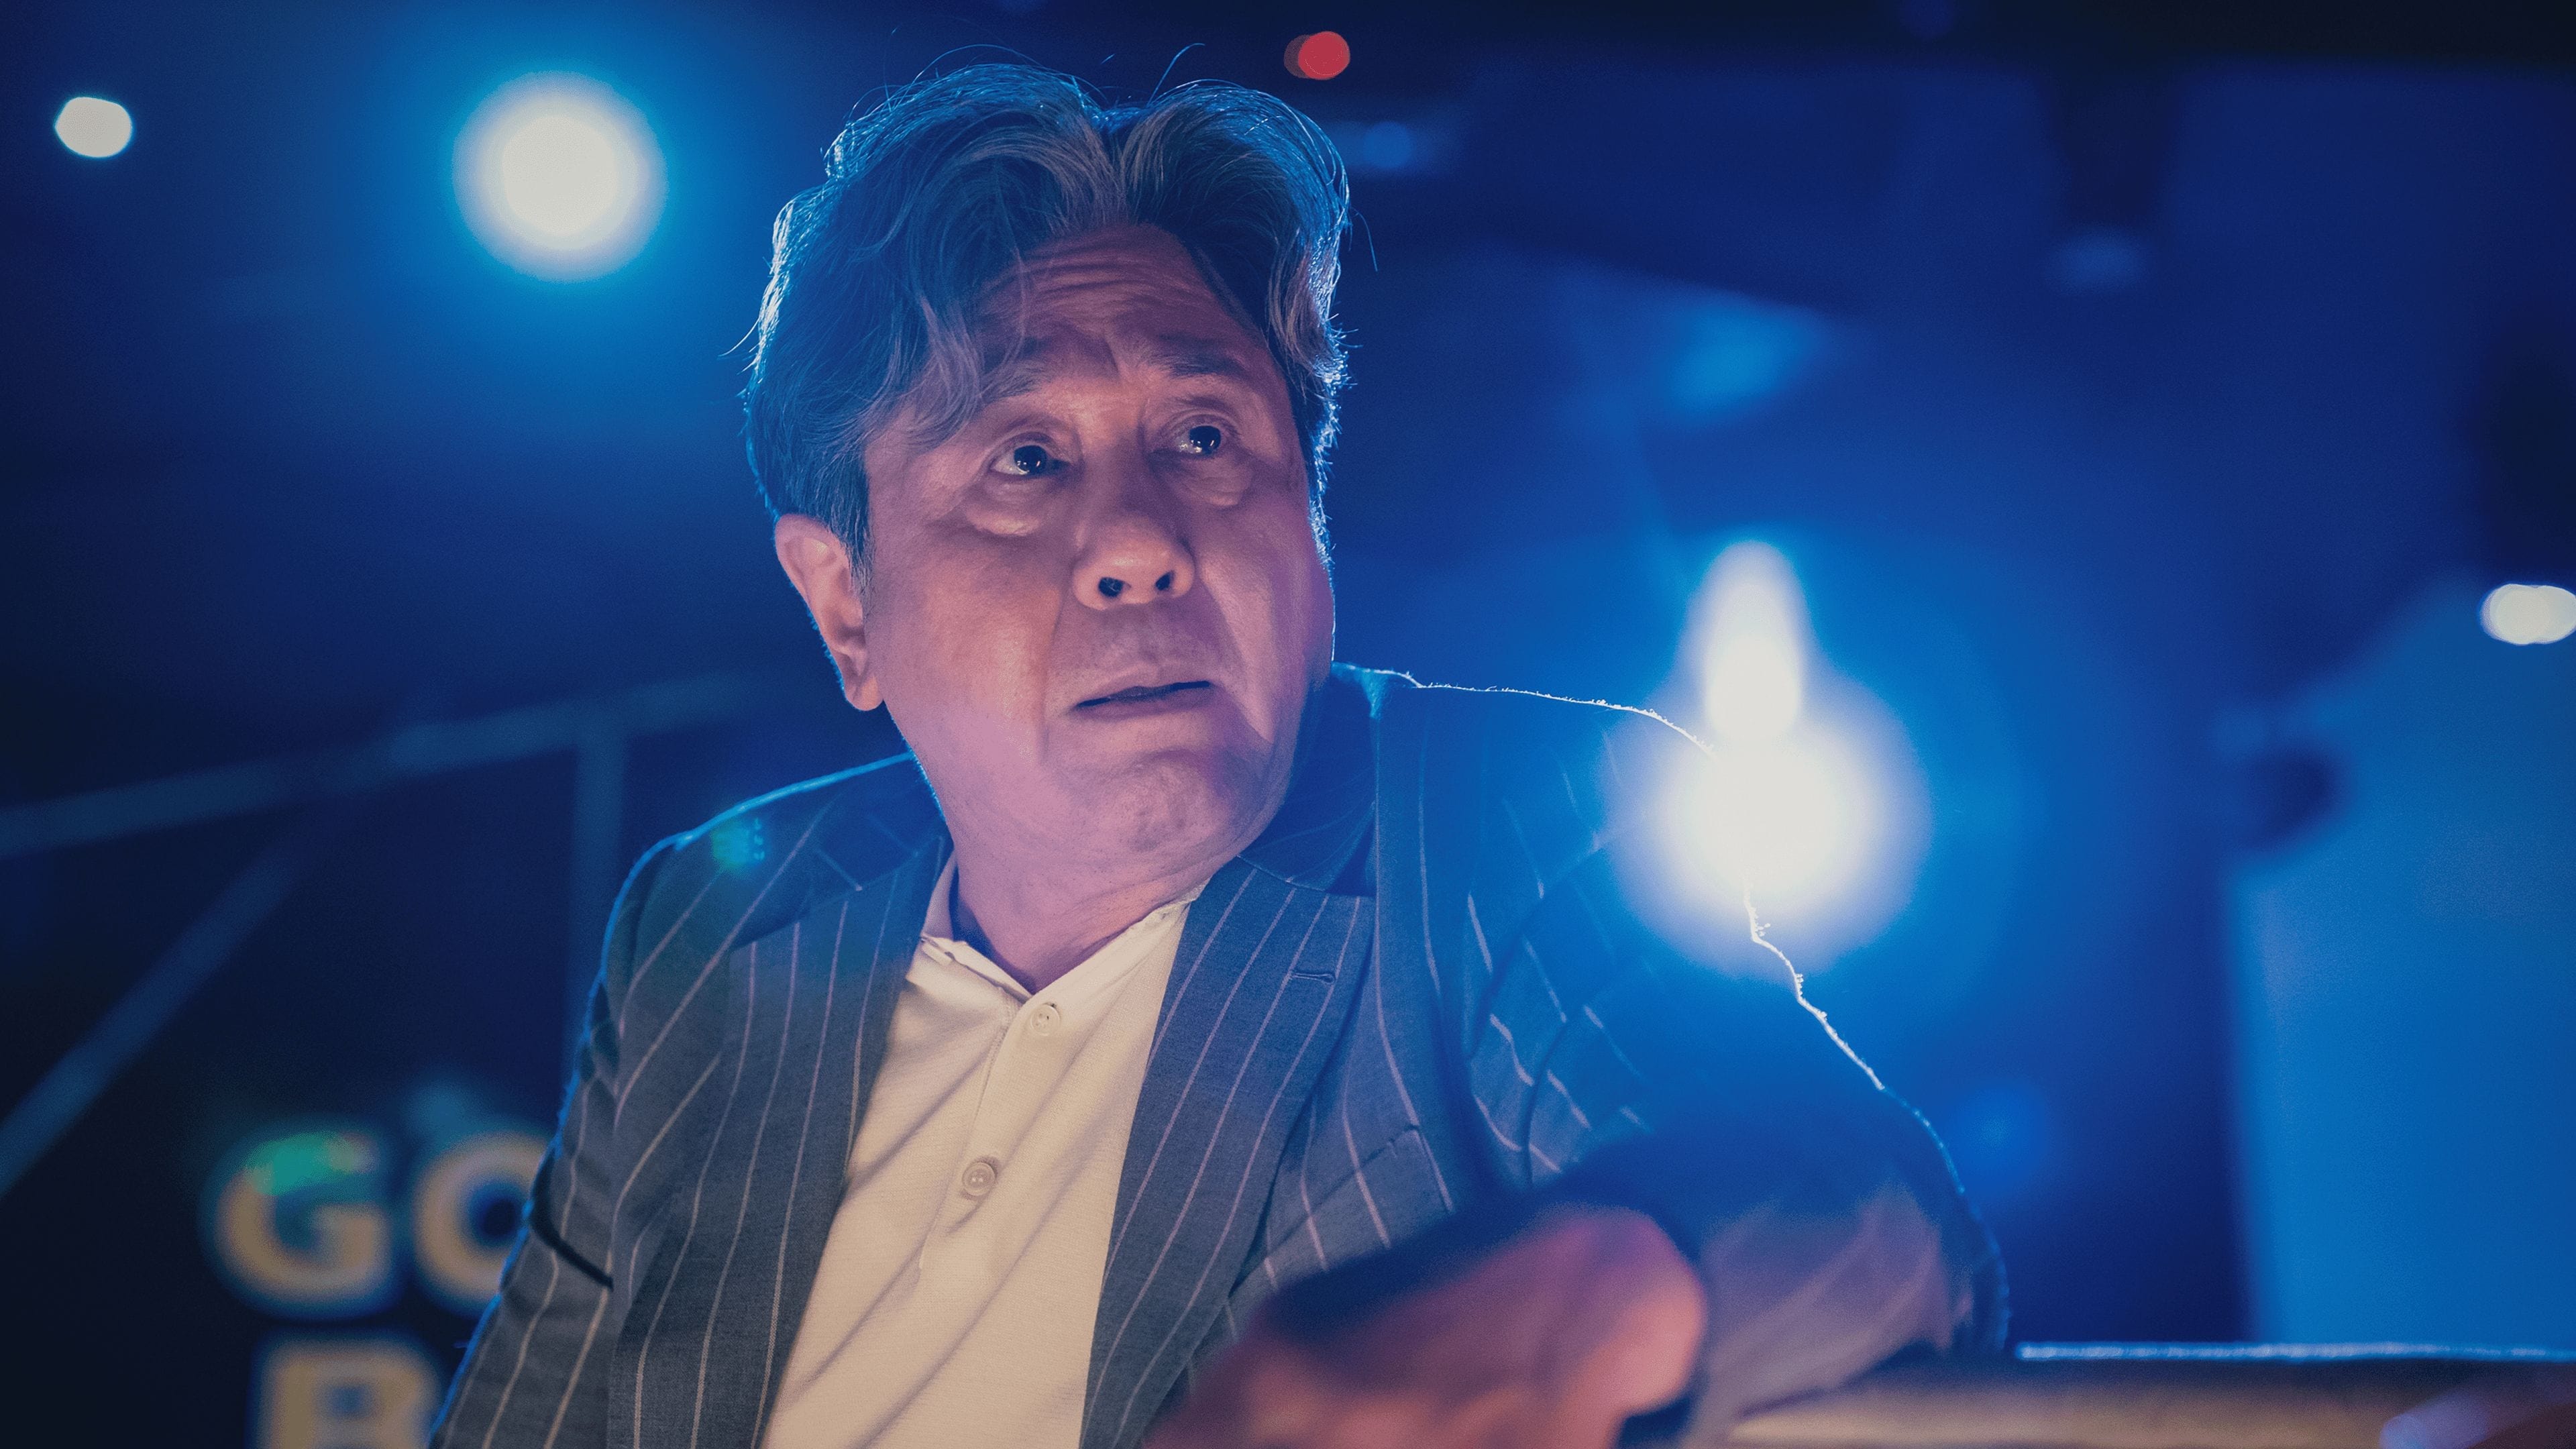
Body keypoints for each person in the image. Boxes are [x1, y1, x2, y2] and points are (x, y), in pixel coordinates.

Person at [429, 64, 2001, 1449]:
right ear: (847, 604)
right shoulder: (706, 928)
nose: (1138, 542)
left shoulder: (1492, 822)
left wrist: (1567, 1299)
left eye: (1203, 438)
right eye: (1026, 458)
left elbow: (1857, 1210)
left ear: (1309, 524)